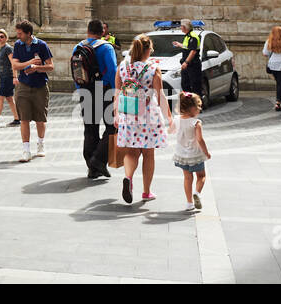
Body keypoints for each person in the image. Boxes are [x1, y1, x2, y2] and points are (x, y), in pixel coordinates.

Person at [115, 34, 173, 204]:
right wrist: (169, 118)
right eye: (151, 49)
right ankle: (146, 192)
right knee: (148, 154)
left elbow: (117, 93)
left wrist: (116, 114)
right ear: (147, 51)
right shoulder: (152, 68)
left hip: (128, 113)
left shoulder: (123, 67)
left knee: (132, 152)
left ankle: (128, 177)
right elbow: (160, 94)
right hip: (148, 116)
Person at [76, 19, 118, 180]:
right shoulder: (106, 47)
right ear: (103, 32)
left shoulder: (78, 46)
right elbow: (112, 71)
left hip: (85, 91)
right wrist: (115, 93)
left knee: (90, 128)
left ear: (88, 31)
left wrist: (80, 89)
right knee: (113, 127)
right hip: (105, 90)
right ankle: (99, 161)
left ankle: (92, 167)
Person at [11, 20, 52, 163]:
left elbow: (51, 66)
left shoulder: (41, 45)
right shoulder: (17, 45)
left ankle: (40, 144)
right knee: (24, 119)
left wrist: (38, 69)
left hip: (40, 86)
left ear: (28, 33)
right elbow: (15, 65)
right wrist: (30, 63)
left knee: (40, 119)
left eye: (20, 33)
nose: (18, 36)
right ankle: (26, 150)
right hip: (23, 86)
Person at [173, 92, 211, 212]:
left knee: (187, 178)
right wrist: (206, 152)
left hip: (181, 154)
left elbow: (172, 131)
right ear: (193, 108)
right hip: (195, 154)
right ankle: (197, 193)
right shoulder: (196, 123)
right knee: (201, 176)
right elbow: (200, 140)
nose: (200, 109)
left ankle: (189, 203)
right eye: (198, 107)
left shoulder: (176, 120)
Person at [0, 29, 18, 128]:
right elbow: (4, 63)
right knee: (10, 99)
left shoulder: (8, 48)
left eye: (1, 36)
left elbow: (13, 63)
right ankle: (17, 118)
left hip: (8, 77)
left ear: (6, 38)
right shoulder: (2, 49)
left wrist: (15, 77)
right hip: (3, 76)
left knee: (0, 98)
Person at [263, 25, 281, 112]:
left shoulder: (269, 41)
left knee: (279, 83)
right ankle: (278, 102)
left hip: (273, 65)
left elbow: (265, 53)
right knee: (280, 84)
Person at [175, 18, 203, 104]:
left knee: (195, 86)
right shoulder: (187, 36)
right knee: (185, 84)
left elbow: (193, 51)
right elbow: (188, 47)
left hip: (193, 65)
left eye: (181, 26)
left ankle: (197, 105)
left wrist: (186, 62)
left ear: (185, 27)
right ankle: (189, 104)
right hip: (187, 66)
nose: (180, 28)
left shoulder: (193, 36)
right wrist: (180, 45)